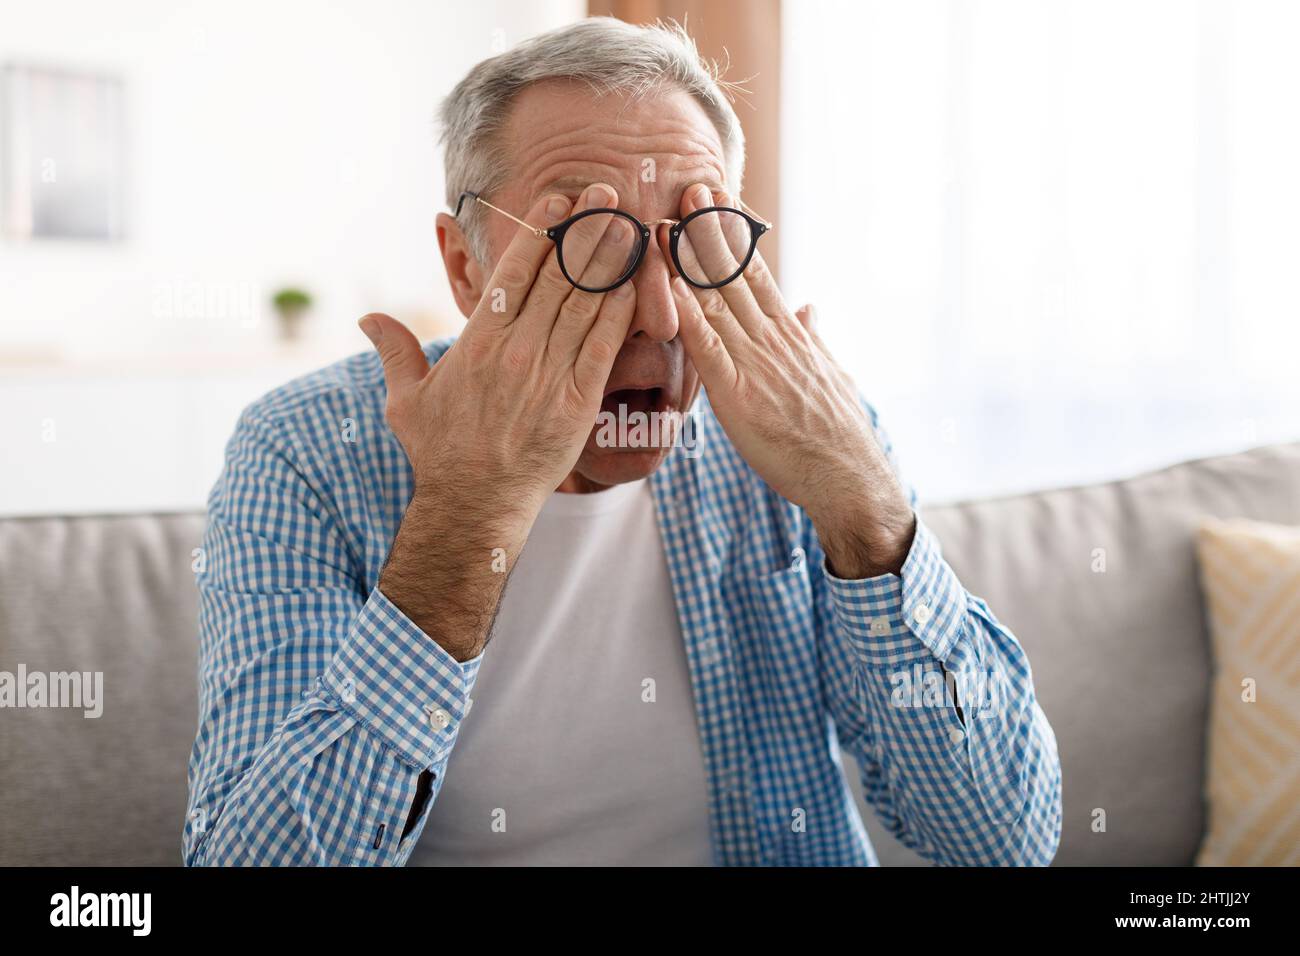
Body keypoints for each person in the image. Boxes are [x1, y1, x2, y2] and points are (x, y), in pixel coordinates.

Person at [184, 17, 1061, 866]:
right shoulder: (303, 451)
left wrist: (867, 515)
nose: (662, 311)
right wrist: (466, 516)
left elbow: (1003, 842)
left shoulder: (809, 430)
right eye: (591, 246)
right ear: (466, 266)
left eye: (695, 243)